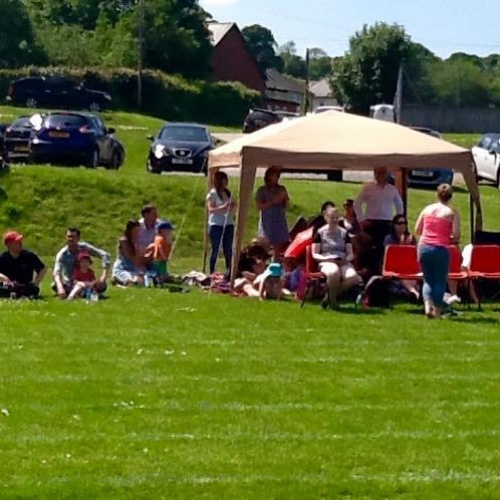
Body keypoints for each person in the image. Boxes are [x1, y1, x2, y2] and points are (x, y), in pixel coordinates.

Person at [415, 184, 460, 319]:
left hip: (424, 247)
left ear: (437, 194)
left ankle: (427, 306)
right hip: (441, 248)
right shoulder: (451, 213)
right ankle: (437, 311)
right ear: (450, 196)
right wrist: (449, 238)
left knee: (427, 279)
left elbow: (417, 230)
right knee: (440, 281)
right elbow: (456, 235)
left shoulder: (427, 209)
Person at [312, 207, 359, 309]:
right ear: (326, 218)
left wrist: (346, 260)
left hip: (342, 260)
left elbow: (350, 253)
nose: (334, 220)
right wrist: (327, 260)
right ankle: (333, 302)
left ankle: (328, 298)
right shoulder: (320, 233)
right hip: (327, 260)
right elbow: (315, 254)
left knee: (353, 277)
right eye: (332, 217)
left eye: (336, 217)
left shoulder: (344, 233)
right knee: (334, 272)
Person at [354, 167, 404, 262]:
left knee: (384, 248)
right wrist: (361, 219)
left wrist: (396, 221)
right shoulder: (368, 188)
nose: (381, 175)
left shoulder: (392, 189)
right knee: (370, 248)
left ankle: (382, 267)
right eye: (379, 173)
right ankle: (370, 268)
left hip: (386, 223)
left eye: (383, 172)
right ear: (375, 173)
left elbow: (399, 206)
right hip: (371, 222)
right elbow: (357, 203)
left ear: (387, 174)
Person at [53, 227, 111, 299]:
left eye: (73, 237)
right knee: (55, 285)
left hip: (86, 280)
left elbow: (105, 255)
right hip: (71, 282)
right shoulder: (62, 254)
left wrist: (104, 276)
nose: (70, 239)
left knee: (102, 285)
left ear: (78, 238)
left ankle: (80, 293)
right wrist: (60, 287)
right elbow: (56, 273)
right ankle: (82, 293)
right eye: (69, 236)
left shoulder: (84, 247)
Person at [383, 214, 420, 302]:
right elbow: (391, 256)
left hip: (409, 267)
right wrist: (401, 246)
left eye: (404, 223)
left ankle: (414, 293)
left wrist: (409, 246)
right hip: (395, 267)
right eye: (399, 223)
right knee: (404, 276)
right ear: (394, 225)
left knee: (410, 276)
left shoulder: (411, 238)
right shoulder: (389, 239)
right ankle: (414, 291)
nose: (402, 225)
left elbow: (415, 255)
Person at [255, 166, 290, 257]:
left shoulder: (281, 188)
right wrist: (273, 201)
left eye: (278, 175)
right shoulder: (262, 190)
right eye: (274, 175)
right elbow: (259, 206)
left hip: (279, 219)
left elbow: (287, 206)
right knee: (265, 244)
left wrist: (285, 199)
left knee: (277, 246)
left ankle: (276, 259)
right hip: (268, 220)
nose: (276, 177)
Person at [0, 231, 46, 298]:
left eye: (20, 241)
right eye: (17, 242)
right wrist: (5, 279)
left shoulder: (29, 256)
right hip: (8, 286)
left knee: (32, 289)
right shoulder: (2, 257)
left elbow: (42, 269)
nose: (20, 243)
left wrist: (36, 282)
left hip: (25, 285)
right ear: (9, 245)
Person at [206, 171, 235, 275]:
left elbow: (233, 206)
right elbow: (211, 209)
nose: (226, 182)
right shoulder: (213, 193)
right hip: (216, 224)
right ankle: (212, 271)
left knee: (228, 249)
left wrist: (232, 206)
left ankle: (229, 271)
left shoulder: (228, 193)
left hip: (228, 224)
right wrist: (223, 207)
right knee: (216, 248)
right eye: (224, 180)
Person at [112, 220, 147, 286]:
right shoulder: (124, 241)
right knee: (131, 281)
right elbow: (129, 257)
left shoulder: (136, 241)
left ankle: (127, 282)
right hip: (123, 267)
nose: (138, 233)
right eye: (136, 231)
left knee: (141, 282)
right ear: (130, 231)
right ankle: (119, 280)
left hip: (133, 268)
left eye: (139, 231)